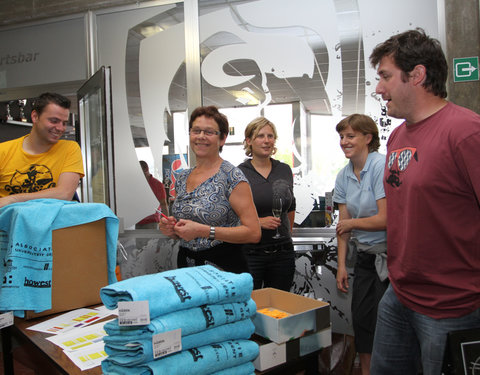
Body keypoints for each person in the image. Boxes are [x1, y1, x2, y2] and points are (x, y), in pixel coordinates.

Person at [369, 28, 480, 375]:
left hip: (452, 305)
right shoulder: (399, 135)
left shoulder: (466, 132)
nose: (378, 88)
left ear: (416, 74)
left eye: (385, 76)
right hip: (399, 293)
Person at [159, 106, 261, 273]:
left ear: (222, 139)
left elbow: (253, 232)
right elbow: (186, 229)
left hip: (223, 267)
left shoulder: (232, 176)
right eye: (196, 130)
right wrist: (172, 230)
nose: (201, 136)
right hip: (187, 266)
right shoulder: (182, 177)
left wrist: (203, 231)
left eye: (209, 132)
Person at [333, 114, 388, 375]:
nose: (344, 141)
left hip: (391, 257)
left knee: (387, 322)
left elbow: (385, 219)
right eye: (342, 137)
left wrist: (353, 225)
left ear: (368, 138)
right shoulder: (343, 176)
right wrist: (341, 266)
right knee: (363, 320)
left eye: (350, 136)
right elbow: (342, 226)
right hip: (364, 258)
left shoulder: (380, 166)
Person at [238, 117, 296, 291]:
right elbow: (231, 216)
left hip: (283, 253)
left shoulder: (284, 169)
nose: (266, 141)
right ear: (249, 141)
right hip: (251, 254)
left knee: (280, 306)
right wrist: (257, 222)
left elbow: (291, 206)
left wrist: (286, 233)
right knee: (251, 305)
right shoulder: (239, 173)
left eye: (270, 136)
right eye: (260, 136)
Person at [0, 92, 84, 209]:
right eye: (54, 121)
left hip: (55, 225)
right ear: (35, 117)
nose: (60, 128)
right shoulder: (3, 151)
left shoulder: (69, 148)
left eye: (64, 123)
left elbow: (64, 194)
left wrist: (13, 199)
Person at [136, 160, 168, 229]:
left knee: (152, 239)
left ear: (145, 169)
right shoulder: (137, 184)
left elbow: (163, 204)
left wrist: (166, 222)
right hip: (138, 221)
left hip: (152, 222)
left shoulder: (157, 184)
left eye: (139, 170)